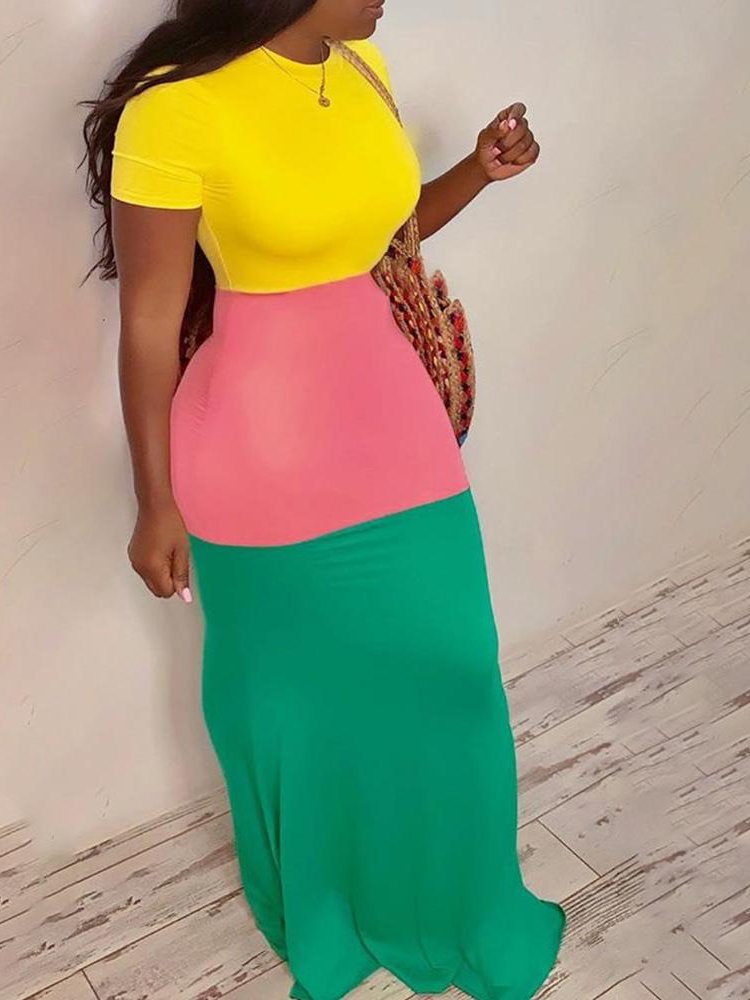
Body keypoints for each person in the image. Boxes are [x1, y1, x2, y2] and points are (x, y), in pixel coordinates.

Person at [81, 1, 565, 997]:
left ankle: (459, 907)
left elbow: (374, 238)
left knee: (455, 672)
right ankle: (329, 912)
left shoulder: (357, 69)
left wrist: (475, 170)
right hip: (258, 446)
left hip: (389, 414)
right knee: (297, 702)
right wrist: (154, 501)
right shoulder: (174, 109)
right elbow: (148, 323)